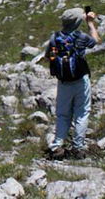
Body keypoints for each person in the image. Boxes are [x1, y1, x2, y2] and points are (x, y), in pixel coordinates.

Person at [43, 8, 101, 160]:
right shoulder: (80, 36)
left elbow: (48, 56)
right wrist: (90, 24)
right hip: (81, 80)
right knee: (82, 113)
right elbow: (95, 41)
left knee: (62, 115)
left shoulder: (55, 37)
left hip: (64, 82)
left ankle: (57, 146)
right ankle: (78, 147)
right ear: (77, 22)